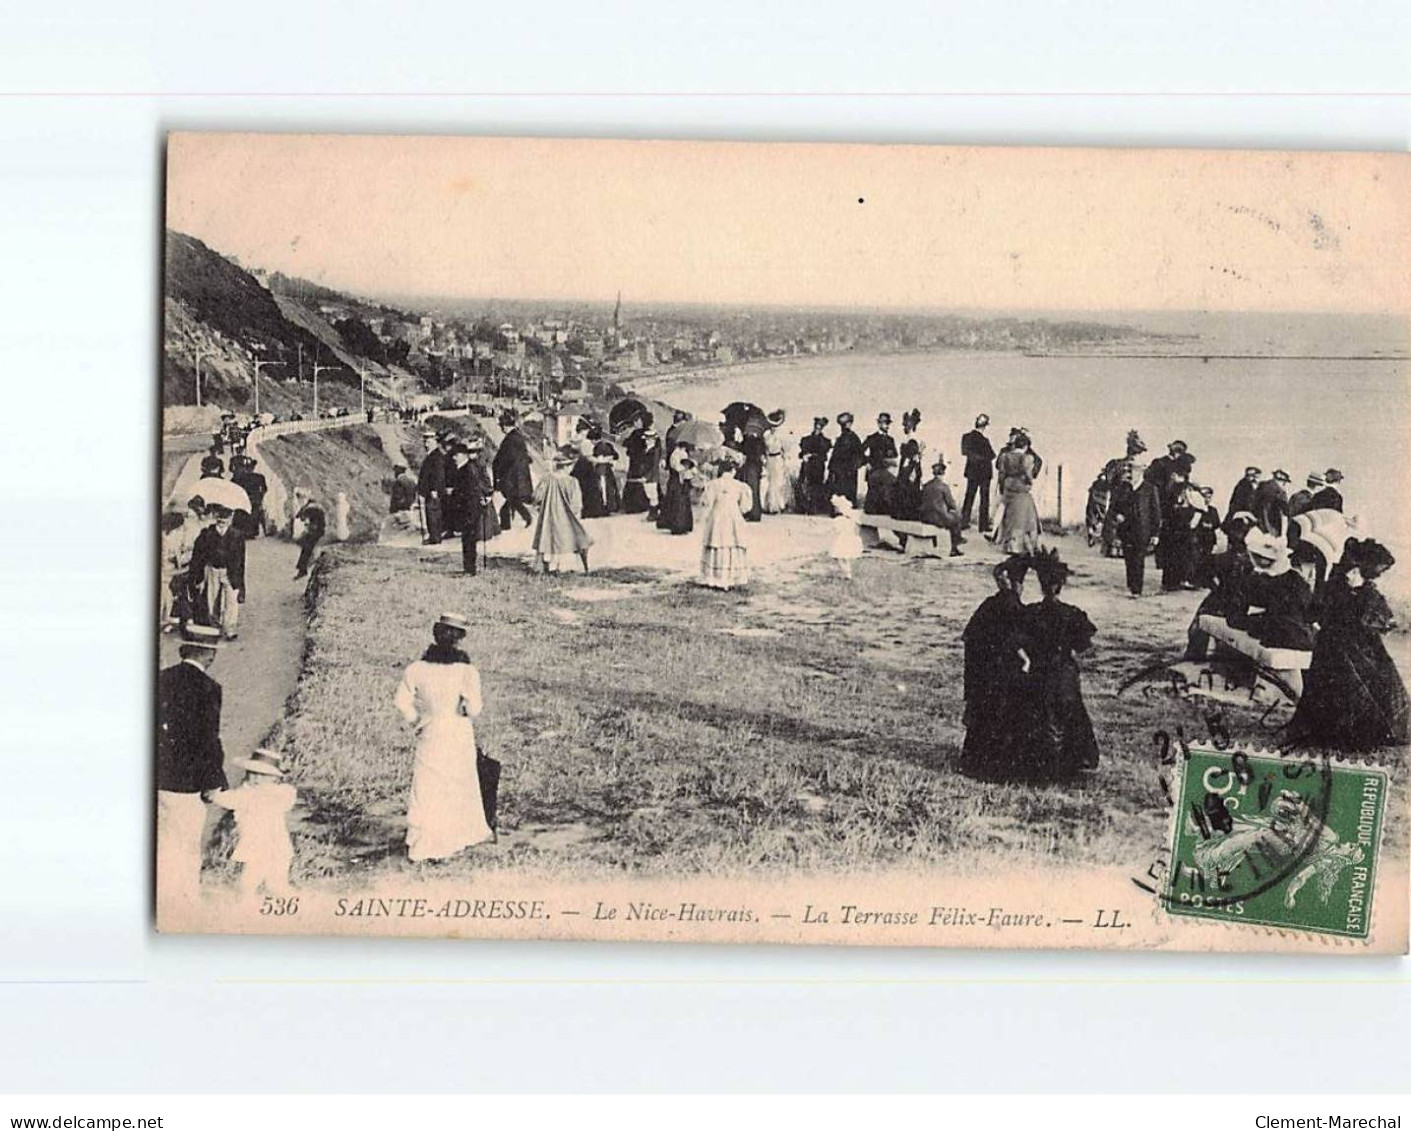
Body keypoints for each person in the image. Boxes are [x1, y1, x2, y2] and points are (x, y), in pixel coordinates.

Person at [1288, 539, 1409, 750]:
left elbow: (1382, 624)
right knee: (1331, 676)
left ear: (1365, 575)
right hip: (1331, 646)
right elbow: (1316, 615)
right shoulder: (1337, 588)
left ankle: (1362, 732)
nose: (1348, 575)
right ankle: (1325, 730)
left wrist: (1362, 628)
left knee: (1374, 677)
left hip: (1359, 648)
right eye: (1348, 571)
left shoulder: (1371, 596)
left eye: (1354, 573)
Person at [393, 613, 495, 861]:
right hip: (457, 732)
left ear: (435, 636)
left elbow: (401, 702)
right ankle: (453, 837)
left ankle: (424, 842)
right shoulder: (466, 671)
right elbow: (474, 710)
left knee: (427, 786)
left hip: (430, 731)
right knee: (456, 784)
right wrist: (462, 706)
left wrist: (417, 719)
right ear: (459, 640)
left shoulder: (416, 669)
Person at [156, 624, 227, 907]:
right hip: (187, 783)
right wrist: (213, 782)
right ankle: (185, 901)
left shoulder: (161, 678)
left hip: (159, 777)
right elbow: (207, 740)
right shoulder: (209, 689)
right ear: (208, 654)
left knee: (162, 839)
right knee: (186, 843)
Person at [1019, 549, 1100, 781]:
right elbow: (1085, 645)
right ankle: (1072, 762)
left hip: (1038, 671)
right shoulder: (1072, 614)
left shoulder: (1031, 613)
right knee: (1070, 715)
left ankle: (1040, 763)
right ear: (1059, 586)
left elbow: (1018, 641)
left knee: (1039, 716)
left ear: (1042, 585)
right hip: (1063, 672)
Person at [958, 558, 1031, 780]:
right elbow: (1017, 641)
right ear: (1018, 584)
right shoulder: (1014, 607)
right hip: (1004, 674)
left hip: (983, 673)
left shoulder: (988, 605)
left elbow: (969, 636)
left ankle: (975, 760)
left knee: (983, 716)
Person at [208, 748, 297, 896]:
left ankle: (247, 910)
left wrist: (214, 796)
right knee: (273, 885)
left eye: (263, 775)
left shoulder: (260, 794)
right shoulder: (263, 793)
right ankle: (298, 903)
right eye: (252, 773)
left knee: (250, 885)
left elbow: (231, 799)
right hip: (272, 847)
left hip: (265, 848)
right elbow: (231, 798)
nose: (256, 778)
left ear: (274, 778)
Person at [1227, 530, 1317, 651]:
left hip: (1279, 629)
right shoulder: (1301, 584)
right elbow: (1308, 614)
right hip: (1293, 632)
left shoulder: (1277, 578)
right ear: (1304, 565)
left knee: (1247, 621)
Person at [189, 504, 246, 639]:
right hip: (212, 569)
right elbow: (198, 556)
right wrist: (198, 576)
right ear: (216, 517)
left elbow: (241, 560)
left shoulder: (237, 536)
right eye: (220, 517)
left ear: (231, 518)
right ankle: (214, 626)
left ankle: (230, 628)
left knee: (231, 600)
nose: (222, 520)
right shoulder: (207, 534)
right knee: (212, 599)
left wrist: (241, 583)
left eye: (226, 517)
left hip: (230, 571)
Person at [698, 450, 753, 590]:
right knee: (732, 543)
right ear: (733, 471)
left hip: (717, 517)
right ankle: (730, 577)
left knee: (717, 542)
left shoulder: (713, 484)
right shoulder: (740, 486)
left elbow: (706, 502)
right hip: (733, 516)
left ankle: (715, 577)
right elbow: (746, 507)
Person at [1110, 461, 1160, 597]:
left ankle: (1137, 589)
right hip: (1126, 529)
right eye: (1129, 471)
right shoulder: (1123, 488)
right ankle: (1131, 585)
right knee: (1129, 558)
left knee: (1138, 558)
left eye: (1133, 471)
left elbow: (1156, 513)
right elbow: (1114, 507)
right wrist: (1117, 515)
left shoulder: (1150, 489)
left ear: (1141, 473)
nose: (1130, 474)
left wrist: (1155, 534)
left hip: (1143, 530)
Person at [994, 430, 1041, 554]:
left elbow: (1001, 473)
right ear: (1025, 446)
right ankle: (1026, 545)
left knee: (1009, 516)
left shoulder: (1005, 456)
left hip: (1009, 487)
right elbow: (1028, 473)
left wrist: (1003, 486)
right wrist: (1029, 482)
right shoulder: (1027, 458)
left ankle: (1007, 544)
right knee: (1026, 517)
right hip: (1021, 488)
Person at [494, 413, 535, 529]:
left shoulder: (510, 440)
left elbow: (506, 459)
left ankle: (511, 523)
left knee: (512, 499)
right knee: (512, 499)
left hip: (511, 476)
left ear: (505, 426)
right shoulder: (518, 437)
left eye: (502, 426)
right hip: (517, 476)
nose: (501, 429)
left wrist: (499, 475)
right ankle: (521, 519)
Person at [918, 457, 964, 557]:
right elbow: (952, 504)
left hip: (925, 516)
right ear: (943, 474)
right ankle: (954, 546)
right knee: (956, 519)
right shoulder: (944, 487)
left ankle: (936, 543)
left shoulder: (926, 485)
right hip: (937, 517)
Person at [960, 414, 997, 532]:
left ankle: (964, 522)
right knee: (984, 499)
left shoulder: (966, 437)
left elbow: (965, 452)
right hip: (985, 472)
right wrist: (983, 458)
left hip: (972, 471)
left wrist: (976, 459)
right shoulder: (985, 441)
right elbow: (992, 455)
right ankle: (983, 525)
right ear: (985, 426)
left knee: (969, 496)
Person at [621, 417, 661, 516]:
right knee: (649, 489)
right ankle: (647, 507)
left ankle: (632, 505)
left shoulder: (635, 433)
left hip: (635, 462)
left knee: (638, 485)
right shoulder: (653, 436)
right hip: (643, 463)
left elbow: (625, 444)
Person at [825, 412, 864, 505]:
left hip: (848, 470)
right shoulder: (842, 438)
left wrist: (855, 465)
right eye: (842, 424)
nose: (844, 426)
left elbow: (859, 454)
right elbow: (835, 455)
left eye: (846, 423)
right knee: (839, 490)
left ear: (850, 423)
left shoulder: (853, 438)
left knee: (846, 492)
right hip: (840, 470)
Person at [657, 442, 696, 535]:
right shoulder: (676, 454)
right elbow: (677, 467)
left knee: (681, 502)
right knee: (677, 502)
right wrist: (686, 467)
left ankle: (682, 525)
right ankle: (678, 526)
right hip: (676, 480)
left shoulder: (682, 453)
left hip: (680, 480)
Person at [796, 417, 832, 515]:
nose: (817, 428)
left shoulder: (825, 441)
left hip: (817, 466)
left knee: (816, 486)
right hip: (807, 465)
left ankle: (814, 507)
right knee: (803, 484)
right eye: (816, 426)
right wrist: (804, 455)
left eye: (820, 427)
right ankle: (803, 507)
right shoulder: (806, 439)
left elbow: (823, 455)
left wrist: (812, 455)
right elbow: (801, 453)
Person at [416, 430, 447, 544]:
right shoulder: (432, 455)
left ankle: (435, 537)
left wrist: (434, 488)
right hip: (428, 490)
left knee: (433, 513)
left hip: (432, 490)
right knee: (430, 513)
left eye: (428, 441)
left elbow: (439, 474)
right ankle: (433, 536)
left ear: (435, 442)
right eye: (425, 441)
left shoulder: (436, 456)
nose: (426, 444)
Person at [229, 454, 267, 539]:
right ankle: (252, 532)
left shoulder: (239, 478)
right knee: (253, 515)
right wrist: (260, 496)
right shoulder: (259, 477)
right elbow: (264, 489)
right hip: (255, 500)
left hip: (243, 499)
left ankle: (243, 531)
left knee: (243, 514)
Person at [895, 409, 924, 520]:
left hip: (910, 469)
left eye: (908, 424)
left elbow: (914, 458)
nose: (905, 427)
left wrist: (912, 471)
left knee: (909, 490)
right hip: (906, 467)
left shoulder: (913, 440)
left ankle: (908, 514)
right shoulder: (907, 439)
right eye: (905, 424)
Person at [292, 489, 326, 580]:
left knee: (307, 548)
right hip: (318, 531)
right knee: (306, 547)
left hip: (315, 532)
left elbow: (301, 517)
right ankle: (304, 568)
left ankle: (303, 569)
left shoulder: (309, 508)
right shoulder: (314, 506)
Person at [762, 409, 790, 514]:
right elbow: (765, 448)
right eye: (772, 425)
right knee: (770, 482)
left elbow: (785, 450)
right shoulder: (766, 435)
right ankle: (770, 505)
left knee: (777, 482)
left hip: (778, 459)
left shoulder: (781, 436)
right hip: (770, 459)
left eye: (775, 425)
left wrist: (785, 461)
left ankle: (777, 505)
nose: (773, 428)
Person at [736, 425, 767, 522]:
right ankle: (754, 512)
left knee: (751, 491)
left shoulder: (749, 441)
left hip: (751, 468)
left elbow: (744, 451)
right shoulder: (759, 441)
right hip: (755, 468)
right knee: (754, 491)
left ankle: (753, 513)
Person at [829, 494, 864, 579]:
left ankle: (845, 572)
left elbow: (835, 530)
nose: (835, 509)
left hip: (840, 542)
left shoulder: (838, 520)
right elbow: (855, 528)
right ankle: (847, 572)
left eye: (836, 508)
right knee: (845, 558)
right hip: (848, 541)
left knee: (839, 558)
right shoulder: (850, 520)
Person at [590, 429, 623, 516]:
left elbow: (599, 459)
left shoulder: (598, 447)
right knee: (611, 488)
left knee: (603, 488)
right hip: (609, 469)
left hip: (601, 469)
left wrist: (598, 460)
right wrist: (610, 459)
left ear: (594, 439)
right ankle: (613, 506)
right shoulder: (608, 444)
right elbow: (616, 456)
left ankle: (605, 507)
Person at [1253, 468, 1292, 536]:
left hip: (1257, 528)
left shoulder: (1261, 486)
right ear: (1284, 481)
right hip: (1272, 530)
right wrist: (1283, 536)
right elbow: (1285, 515)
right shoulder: (1280, 493)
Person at [1226, 466, 1262, 532]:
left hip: (1245, 519)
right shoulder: (1243, 486)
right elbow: (1237, 507)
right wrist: (1248, 515)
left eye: (1256, 476)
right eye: (1251, 475)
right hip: (1239, 519)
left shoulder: (1254, 487)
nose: (1254, 479)